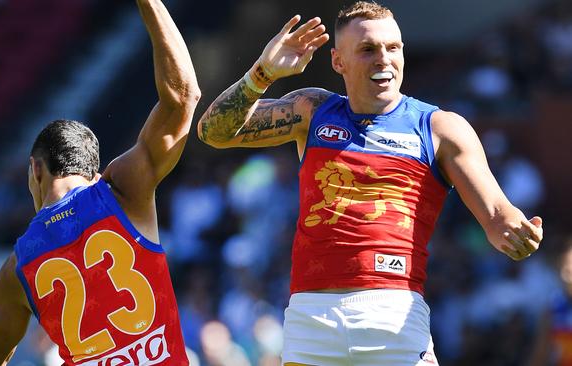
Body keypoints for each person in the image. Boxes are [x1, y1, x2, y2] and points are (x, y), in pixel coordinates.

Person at [197, 1, 543, 365]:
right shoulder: (313, 111)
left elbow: (497, 213)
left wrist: (513, 231)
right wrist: (263, 72)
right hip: (310, 319)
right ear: (337, 62)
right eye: (368, 49)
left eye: (393, 48)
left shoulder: (441, 128)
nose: (383, 59)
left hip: (393, 313)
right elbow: (213, 132)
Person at [0, 0, 200, 364]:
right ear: (94, 173)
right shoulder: (121, 191)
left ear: (36, 170)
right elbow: (184, 98)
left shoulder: (17, 268)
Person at [529, 238, 572, 366]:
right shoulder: (553, 307)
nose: (565, 276)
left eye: (570, 270)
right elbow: (540, 351)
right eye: (561, 269)